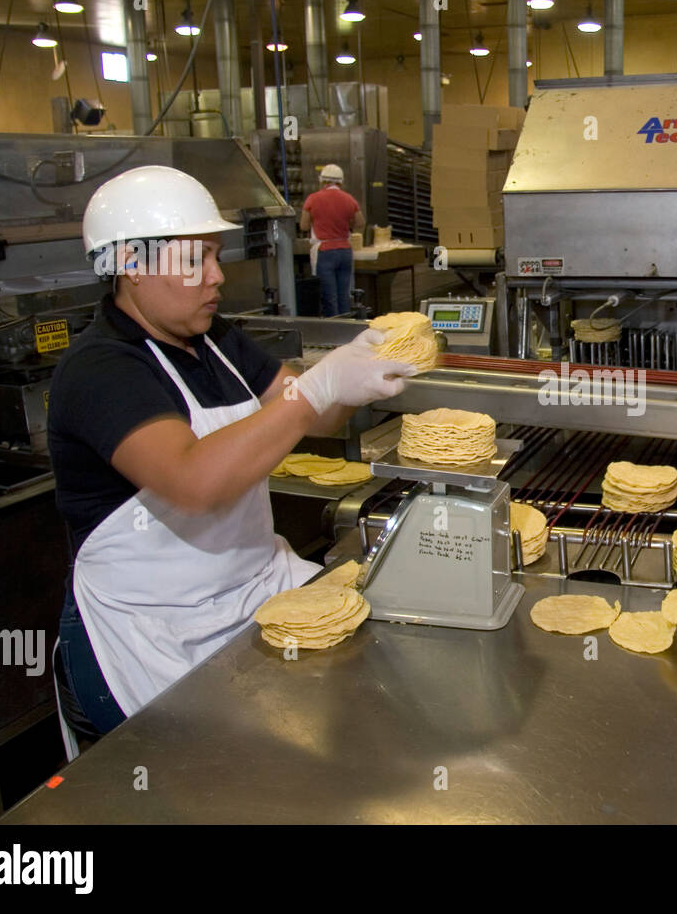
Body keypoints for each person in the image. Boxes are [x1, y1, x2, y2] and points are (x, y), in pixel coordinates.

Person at [49, 165, 416, 736]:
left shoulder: (216, 340)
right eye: (194, 260)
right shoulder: (101, 368)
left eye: (216, 256)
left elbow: (317, 414)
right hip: (152, 636)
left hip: (255, 592)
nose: (217, 277)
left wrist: (357, 372)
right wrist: (315, 389)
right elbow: (194, 484)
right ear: (131, 265)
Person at [300, 164, 364, 317]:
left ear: (322, 181)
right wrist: (347, 225)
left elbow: (303, 225)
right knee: (344, 296)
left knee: (329, 298)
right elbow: (361, 222)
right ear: (340, 182)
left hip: (325, 252)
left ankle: (333, 332)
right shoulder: (349, 199)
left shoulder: (313, 199)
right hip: (345, 252)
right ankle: (347, 329)